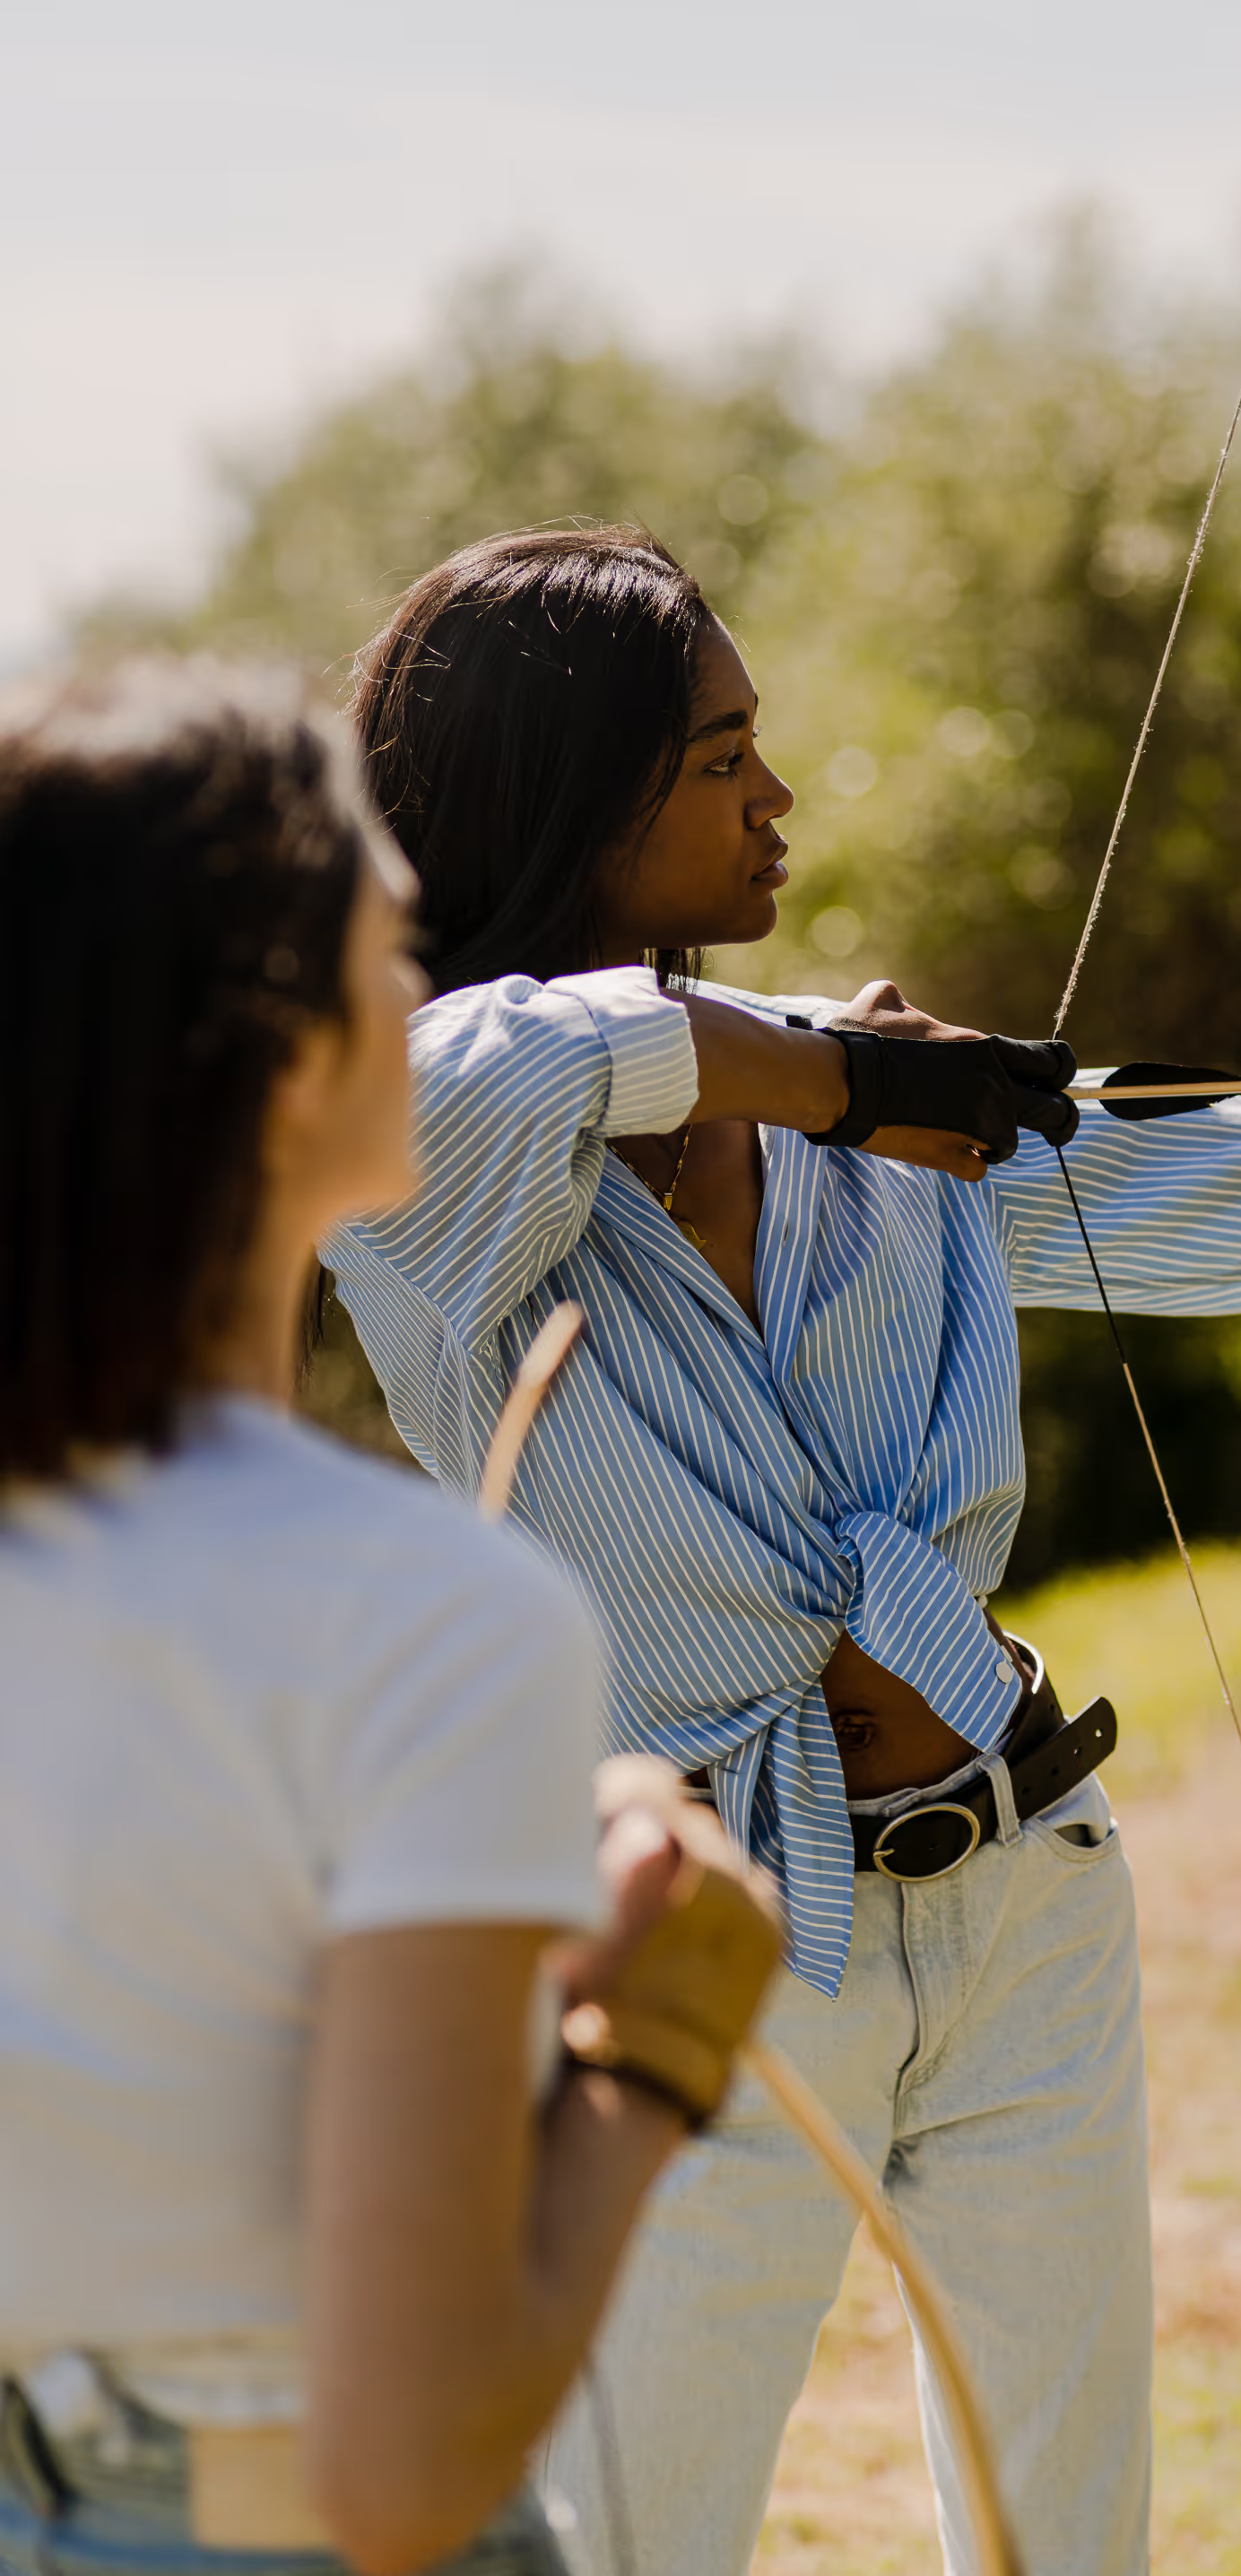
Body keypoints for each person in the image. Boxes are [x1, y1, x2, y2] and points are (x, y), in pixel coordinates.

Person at [323, 523, 1241, 2575]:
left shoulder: (885, 1110)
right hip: (692, 1927)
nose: (776, 796)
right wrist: (835, 1076)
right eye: (719, 758)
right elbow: (491, 1054)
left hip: (1022, 1886)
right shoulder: (419, 1160)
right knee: (625, 2537)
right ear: (567, 798)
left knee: (1060, 2541)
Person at [0, 659, 777, 2576]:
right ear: (281, 1043)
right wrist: (658, 2048)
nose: (421, 989)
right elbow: (402, 2473)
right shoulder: (433, 1621)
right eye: (382, 933)